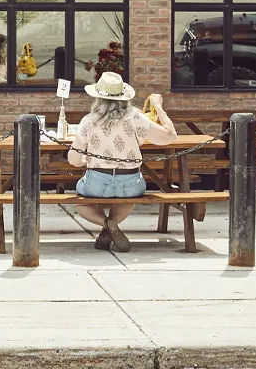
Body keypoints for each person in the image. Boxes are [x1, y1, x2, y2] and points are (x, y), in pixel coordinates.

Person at [66, 70, 177, 252]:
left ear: (98, 98)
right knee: (128, 198)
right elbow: (170, 137)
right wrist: (157, 107)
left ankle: (106, 223)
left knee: (81, 204)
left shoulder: (89, 120)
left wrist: (86, 160)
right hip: (131, 183)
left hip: (96, 183)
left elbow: (73, 159)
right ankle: (111, 225)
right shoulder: (134, 117)